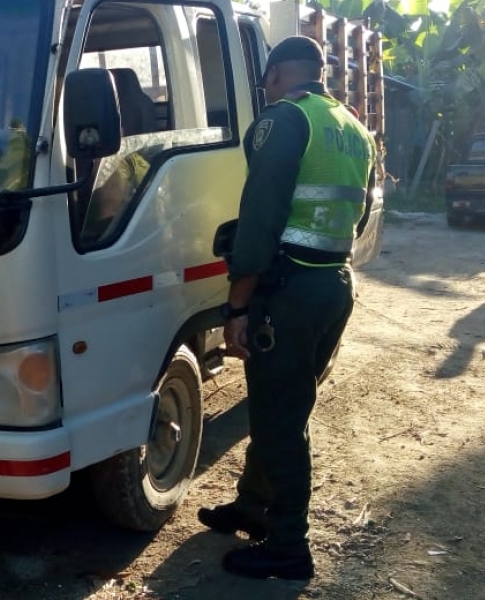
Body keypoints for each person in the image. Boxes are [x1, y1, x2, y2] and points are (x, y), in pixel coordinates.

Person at [198, 35, 376, 581]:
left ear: (275, 74)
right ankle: (253, 506)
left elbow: (260, 219)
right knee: (282, 407)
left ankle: (289, 546)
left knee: (280, 421)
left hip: (288, 289)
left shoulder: (284, 120)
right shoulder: (352, 127)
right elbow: (361, 213)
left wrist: (237, 306)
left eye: (265, 81)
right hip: (333, 283)